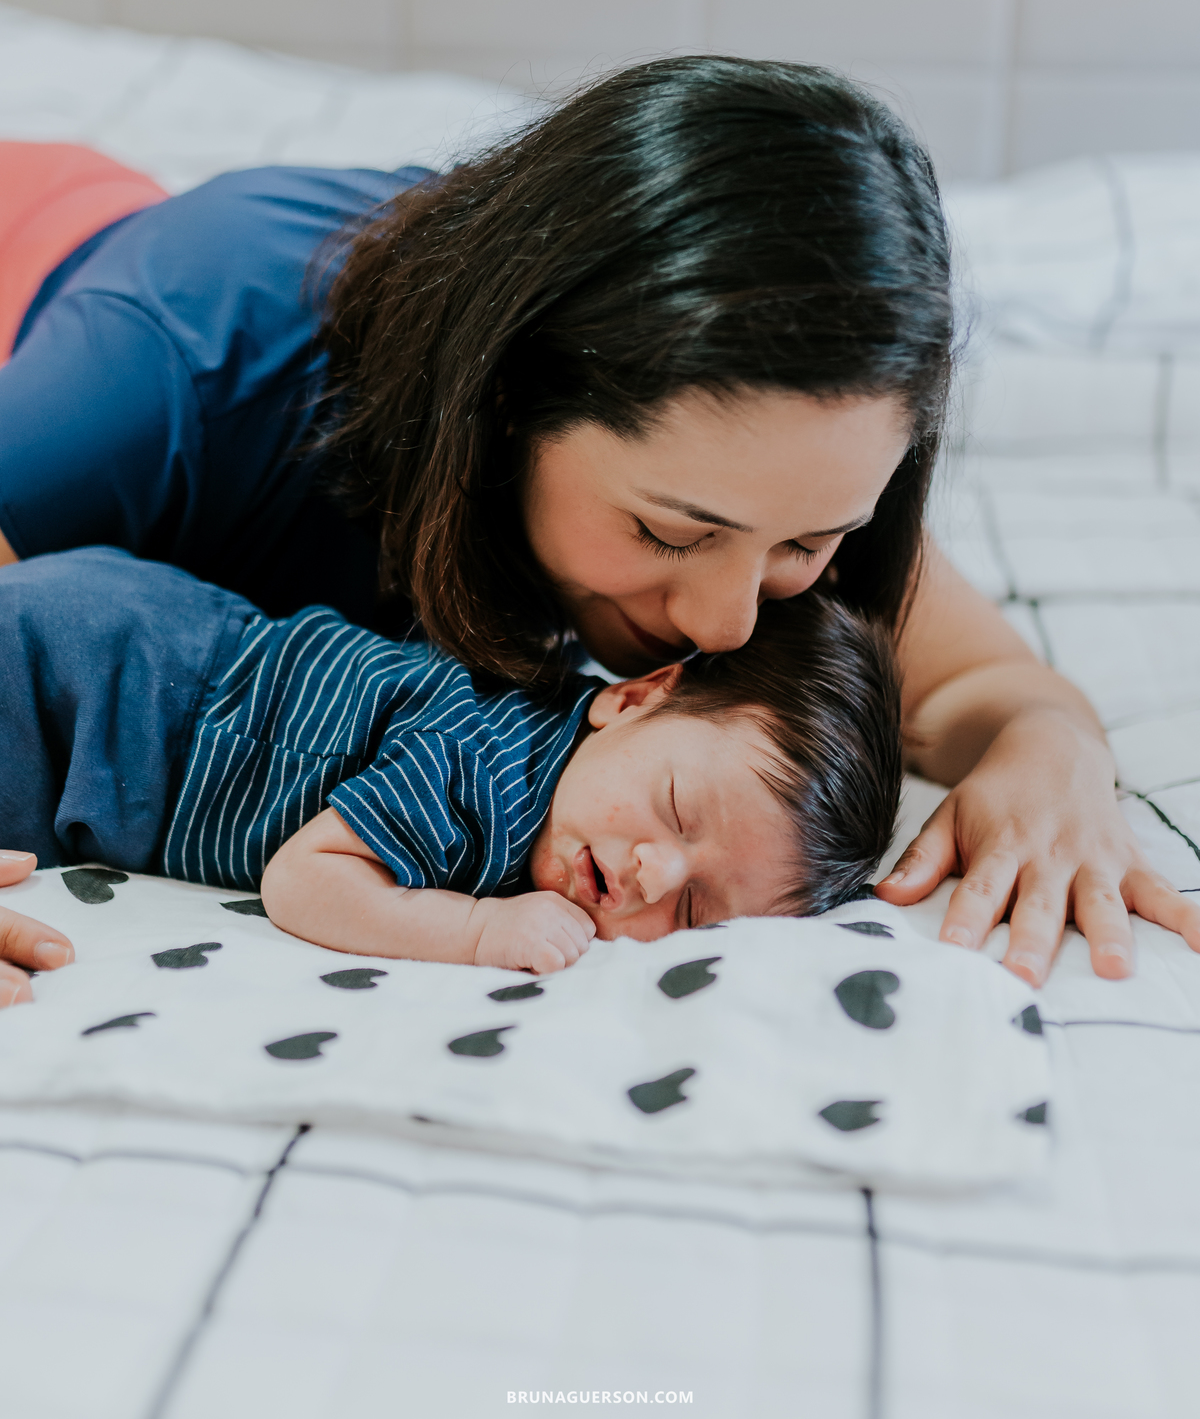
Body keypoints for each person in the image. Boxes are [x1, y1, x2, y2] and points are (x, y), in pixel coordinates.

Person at [0, 57, 1196, 996]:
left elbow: (981, 681)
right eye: (673, 534)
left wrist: (1054, 753)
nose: (733, 619)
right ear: (509, 404)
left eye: (806, 543)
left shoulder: (772, 455)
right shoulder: (177, 362)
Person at [0, 548, 900, 998]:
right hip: (113, 698)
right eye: (673, 807)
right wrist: (474, 933)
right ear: (633, 699)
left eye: (696, 911)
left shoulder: (557, 741)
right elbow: (302, 878)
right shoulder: (494, 778)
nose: (654, 875)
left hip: (149, 633)